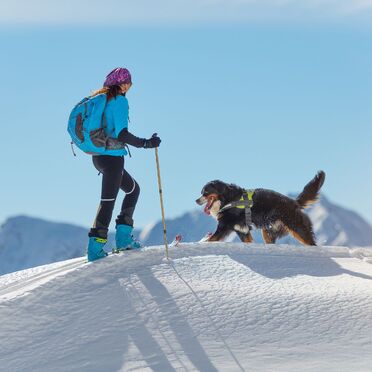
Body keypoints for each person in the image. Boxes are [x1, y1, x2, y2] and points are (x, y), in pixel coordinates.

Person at [87, 67, 161, 261]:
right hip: (112, 159)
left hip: (99, 156)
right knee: (108, 202)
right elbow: (121, 133)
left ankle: (123, 240)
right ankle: (95, 250)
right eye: (128, 82)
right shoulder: (120, 101)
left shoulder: (104, 101)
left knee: (133, 190)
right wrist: (146, 143)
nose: (129, 86)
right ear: (122, 84)